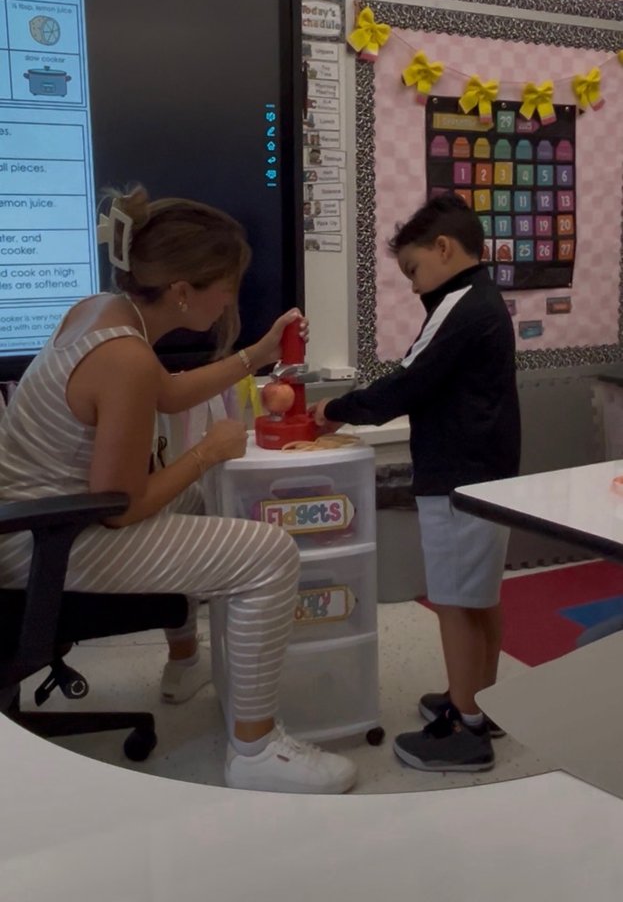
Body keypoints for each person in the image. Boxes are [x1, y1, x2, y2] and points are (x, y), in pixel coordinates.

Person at [0, 186, 356, 795]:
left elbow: (164, 392)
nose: (230, 301)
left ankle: (185, 662)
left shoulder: (99, 312)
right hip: (45, 542)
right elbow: (123, 508)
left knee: (200, 501)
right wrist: (205, 452)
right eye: (227, 287)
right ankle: (256, 750)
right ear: (184, 292)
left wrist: (258, 354)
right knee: (267, 554)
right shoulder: (125, 358)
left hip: (32, 521)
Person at [311, 192, 520, 773]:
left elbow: (408, 381)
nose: (410, 284)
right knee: (479, 594)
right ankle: (482, 699)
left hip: (459, 474)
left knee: (454, 600)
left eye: (413, 269)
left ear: (445, 249)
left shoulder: (461, 303)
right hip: (488, 468)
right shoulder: (482, 300)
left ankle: (466, 726)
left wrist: (335, 411)